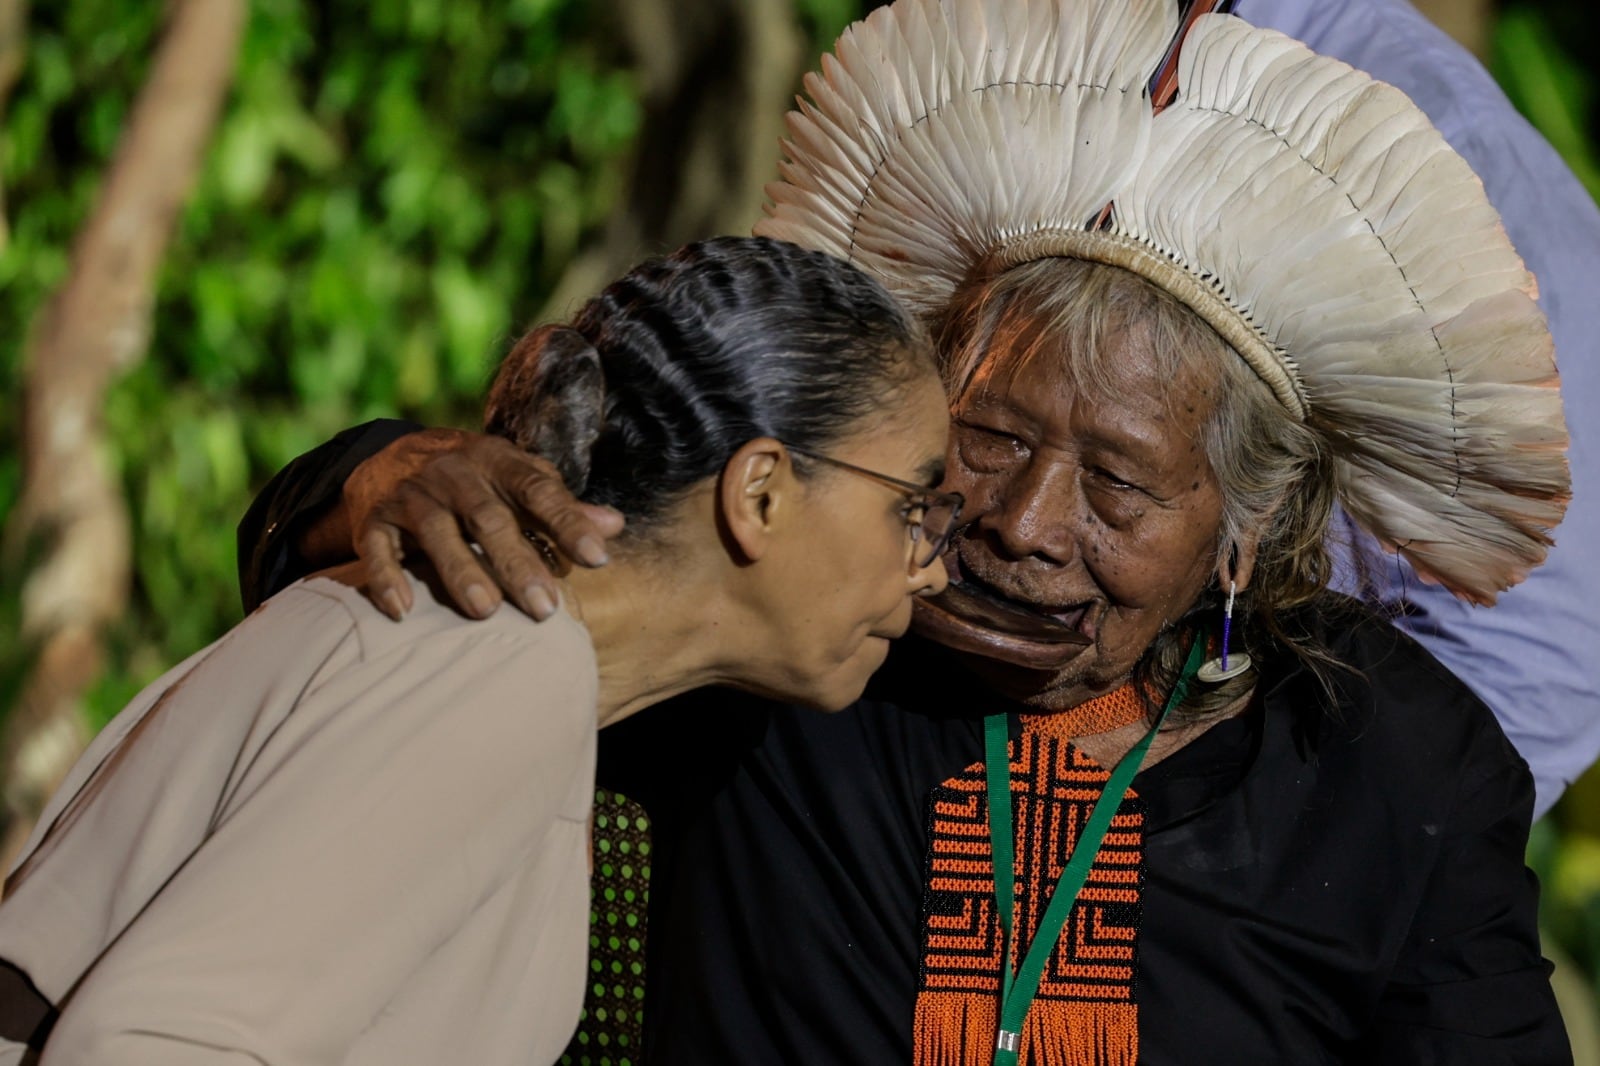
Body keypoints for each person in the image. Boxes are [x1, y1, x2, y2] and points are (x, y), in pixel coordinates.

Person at [236, 1, 1579, 1063]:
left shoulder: (1398, 767)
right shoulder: (799, 621)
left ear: (1246, 526)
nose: (1024, 525)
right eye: (990, 439)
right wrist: (383, 477)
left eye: (1117, 484)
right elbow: (395, 602)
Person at [0, 236, 957, 1064]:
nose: (931, 571)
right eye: (911, 509)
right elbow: (158, 1045)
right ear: (760, 495)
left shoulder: (495, 649)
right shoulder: (500, 663)